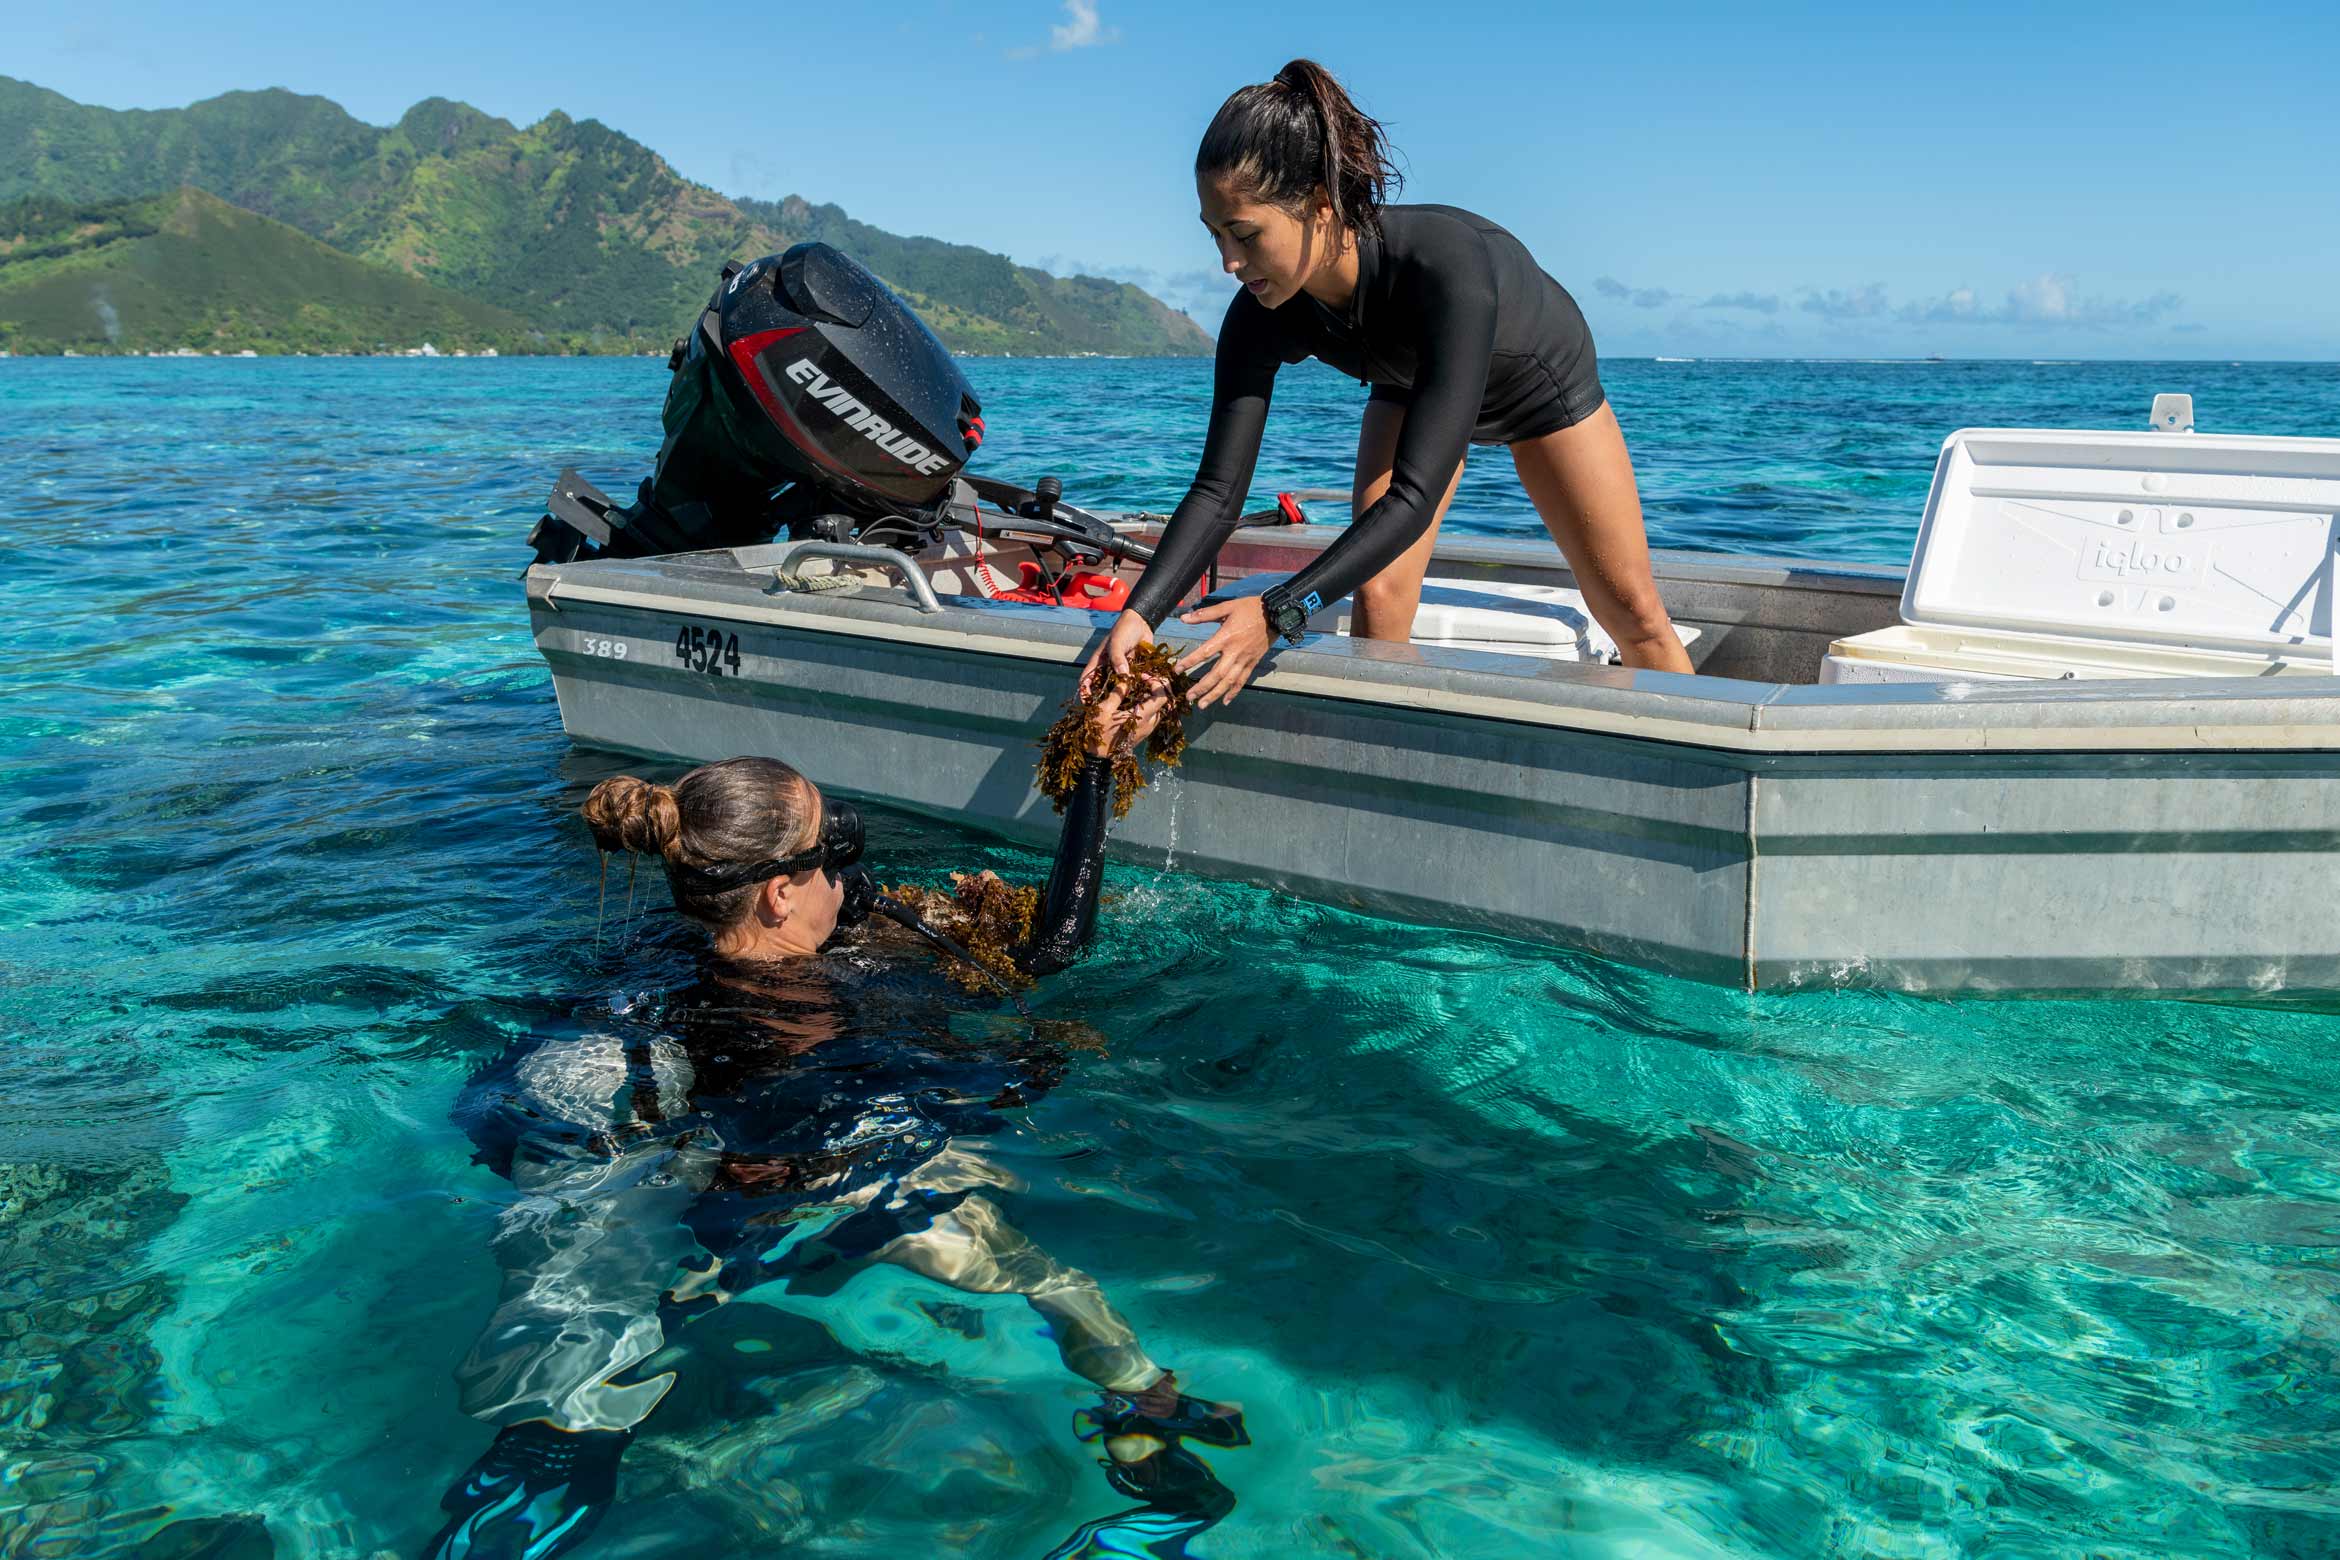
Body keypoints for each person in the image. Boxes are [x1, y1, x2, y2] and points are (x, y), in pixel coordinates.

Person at [425, 689, 1249, 1560]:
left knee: (584, 1338)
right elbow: (1049, 965)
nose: (847, 874)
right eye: (830, 857)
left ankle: (542, 1455)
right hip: (823, 1184)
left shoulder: (651, 964)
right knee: (1057, 1283)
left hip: (655, 1162)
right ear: (780, 893)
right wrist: (1094, 771)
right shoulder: (846, 1001)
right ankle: (1148, 1426)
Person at [1087, 58, 1694, 708]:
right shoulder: (1261, 310)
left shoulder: (1446, 270)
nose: (1228, 263)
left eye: (1245, 234)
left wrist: (1277, 613)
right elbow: (1216, 492)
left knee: (1630, 607)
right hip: (1408, 380)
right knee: (1378, 593)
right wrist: (1139, 615)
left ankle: (1697, 742)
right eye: (1215, 235)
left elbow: (1413, 496)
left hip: (1538, 388)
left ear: (1319, 204)